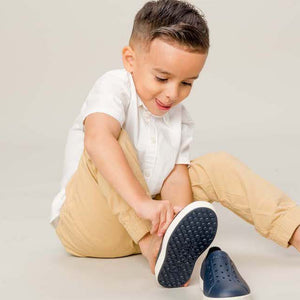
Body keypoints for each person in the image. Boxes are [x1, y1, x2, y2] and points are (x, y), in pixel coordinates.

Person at [49, 0, 300, 288]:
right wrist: (143, 206)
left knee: (216, 165)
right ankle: (151, 245)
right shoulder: (114, 86)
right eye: (162, 78)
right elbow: (97, 140)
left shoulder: (178, 118)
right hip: (89, 227)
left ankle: (295, 230)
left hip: (145, 222)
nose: (172, 94)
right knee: (107, 140)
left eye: (187, 83)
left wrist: (177, 224)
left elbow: (175, 176)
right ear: (130, 60)